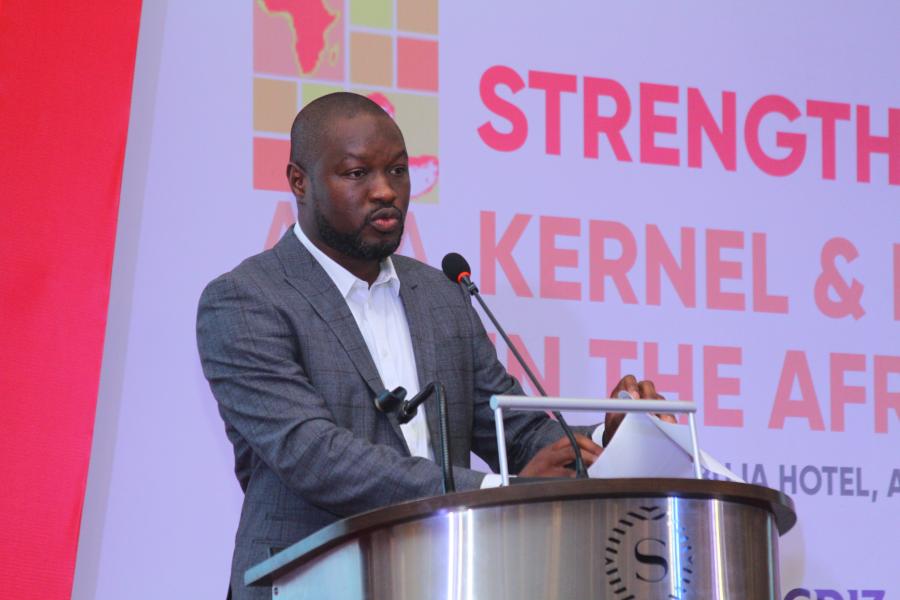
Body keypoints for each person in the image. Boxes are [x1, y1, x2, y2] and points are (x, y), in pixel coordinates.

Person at [196, 92, 666, 599]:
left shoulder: (441, 295)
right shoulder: (246, 299)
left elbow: (512, 430)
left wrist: (607, 437)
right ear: (299, 181)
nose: (385, 191)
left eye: (398, 171)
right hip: (308, 583)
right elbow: (312, 455)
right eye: (357, 173)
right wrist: (492, 493)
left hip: (443, 577)